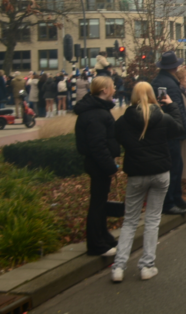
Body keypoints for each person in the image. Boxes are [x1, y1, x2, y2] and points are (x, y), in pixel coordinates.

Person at [111, 82, 184, 282]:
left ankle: (119, 267)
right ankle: (147, 265)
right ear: (154, 95)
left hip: (136, 173)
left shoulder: (123, 121)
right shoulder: (162, 117)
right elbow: (179, 129)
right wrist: (171, 106)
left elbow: (113, 140)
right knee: (152, 220)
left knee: (130, 221)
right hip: (160, 172)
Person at [74, 76, 121, 257]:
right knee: (97, 204)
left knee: (100, 202)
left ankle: (103, 236)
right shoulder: (97, 114)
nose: (115, 89)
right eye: (112, 87)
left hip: (98, 163)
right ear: (104, 90)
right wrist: (110, 167)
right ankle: (96, 244)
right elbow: (98, 145)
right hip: (99, 164)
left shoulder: (95, 110)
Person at [152, 51, 186, 215]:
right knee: (173, 168)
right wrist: (182, 127)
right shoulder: (163, 83)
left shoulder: (163, 81)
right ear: (174, 66)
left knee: (177, 166)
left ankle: (176, 198)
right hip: (171, 131)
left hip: (171, 129)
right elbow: (166, 106)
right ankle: (169, 203)